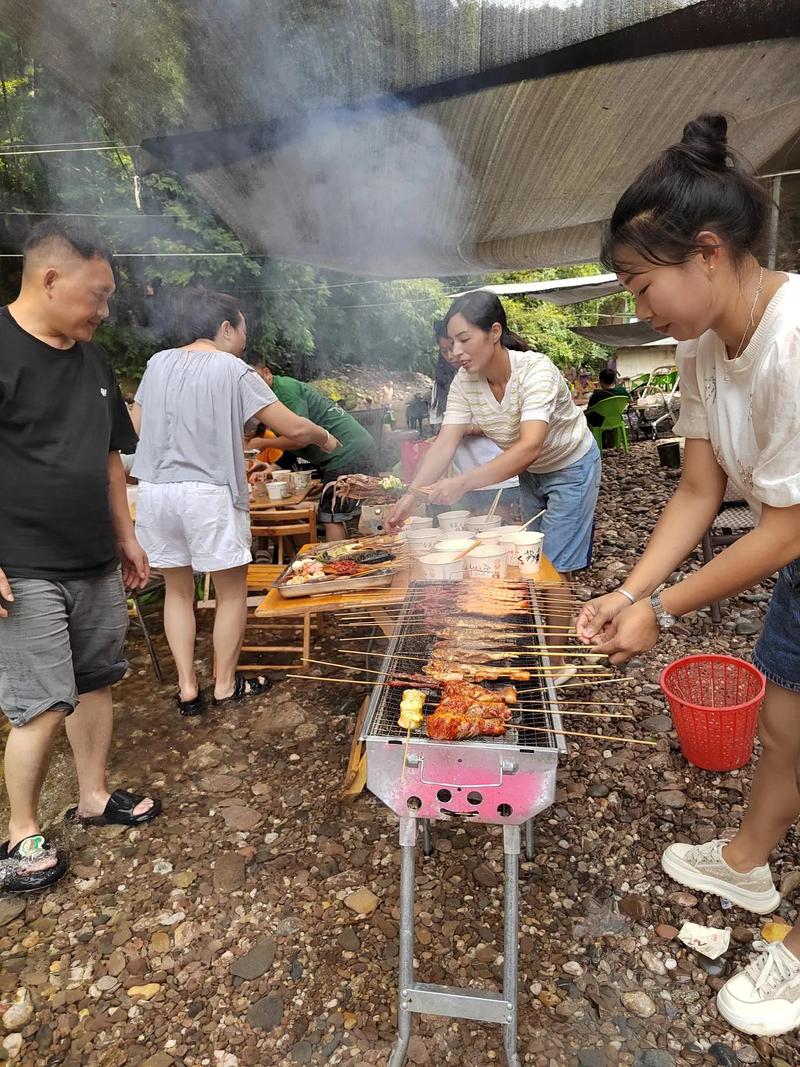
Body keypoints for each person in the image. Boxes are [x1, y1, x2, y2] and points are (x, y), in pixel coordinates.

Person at [576, 113, 800, 1037]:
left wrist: (660, 611)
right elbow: (700, 491)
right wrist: (628, 593)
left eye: (641, 282)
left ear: (708, 252)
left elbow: (785, 527)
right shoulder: (703, 343)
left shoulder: (793, 338)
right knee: (786, 721)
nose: (638, 305)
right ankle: (747, 860)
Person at [0, 219, 159, 893]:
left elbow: (110, 458)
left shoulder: (93, 358)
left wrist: (126, 534)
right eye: (97, 295)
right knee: (40, 704)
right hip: (23, 561)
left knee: (97, 679)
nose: (104, 310)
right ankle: (18, 832)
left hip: (94, 554)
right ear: (51, 278)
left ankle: (94, 795)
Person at [131, 291, 340, 714]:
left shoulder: (157, 363)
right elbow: (292, 427)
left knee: (177, 590)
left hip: (155, 491)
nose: (244, 339)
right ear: (225, 328)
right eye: (242, 329)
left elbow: (133, 427)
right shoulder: (233, 368)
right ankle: (225, 685)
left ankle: (188, 688)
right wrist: (324, 437)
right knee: (230, 593)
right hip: (207, 493)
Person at [390, 291, 601, 680]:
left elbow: (530, 444)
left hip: (571, 465)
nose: (454, 351)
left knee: (554, 563)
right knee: (527, 560)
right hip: (531, 471)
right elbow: (444, 443)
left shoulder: (535, 371)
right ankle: (539, 641)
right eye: (451, 343)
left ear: (494, 332)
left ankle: (554, 663)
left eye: (463, 339)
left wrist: (462, 482)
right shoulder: (464, 382)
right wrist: (410, 498)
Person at [246, 361, 376, 541]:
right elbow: (294, 445)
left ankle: (337, 564)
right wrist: (272, 467)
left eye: (254, 380)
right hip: (349, 449)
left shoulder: (284, 392)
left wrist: (264, 442)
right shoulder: (275, 395)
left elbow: (300, 438)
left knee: (330, 515)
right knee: (335, 511)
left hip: (347, 451)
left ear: (267, 373)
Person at [428, 318, 519, 519]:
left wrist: (469, 429)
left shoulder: (494, 374)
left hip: (497, 470)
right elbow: (443, 438)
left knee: (498, 531)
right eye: (445, 351)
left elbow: (511, 423)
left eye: (456, 346)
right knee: (474, 531)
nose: (453, 355)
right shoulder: (444, 385)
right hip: (464, 475)